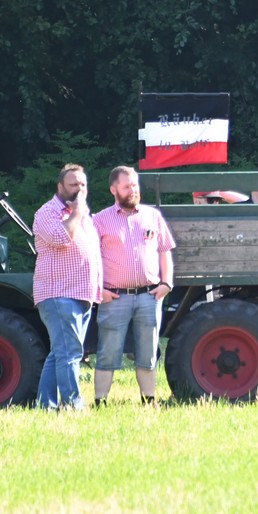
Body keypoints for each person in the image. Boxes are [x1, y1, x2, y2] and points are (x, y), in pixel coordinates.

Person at [90, 165, 176, 405]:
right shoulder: (100, 220)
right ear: (113, 189)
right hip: (114, 297)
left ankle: (149, 401)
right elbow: (90, 258)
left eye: (135, 185)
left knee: (148, 353)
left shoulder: (152, 216)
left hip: (149, 296)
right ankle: (100, 403)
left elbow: (165, 251)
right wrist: (99, 290)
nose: (133, 190)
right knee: (108, 352)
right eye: (127, 186)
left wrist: (167, 283)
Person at [33, 163, 103, 411]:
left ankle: (46, 405)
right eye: (73, 184)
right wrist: (77, 213)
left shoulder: (84, 216)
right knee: (70, 353)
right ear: (60, 187)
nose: (79, 189)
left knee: (60, 353)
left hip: (81, 294)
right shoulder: (48, 212)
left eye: (83, 184)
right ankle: (73, 405)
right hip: (58, 293)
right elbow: (60, 238)